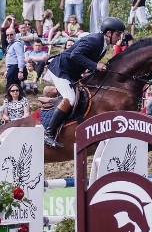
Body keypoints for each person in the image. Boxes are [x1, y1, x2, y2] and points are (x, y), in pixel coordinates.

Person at [44, 17, 126, 147]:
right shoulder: (93, 40)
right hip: (60, 69)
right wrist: (95, 65)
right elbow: (75, 55)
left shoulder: (103, 45)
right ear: (108, 33)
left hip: (72, 73)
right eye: (117, 34)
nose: (119, 38)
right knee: (70, 98)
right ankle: (49, 133)